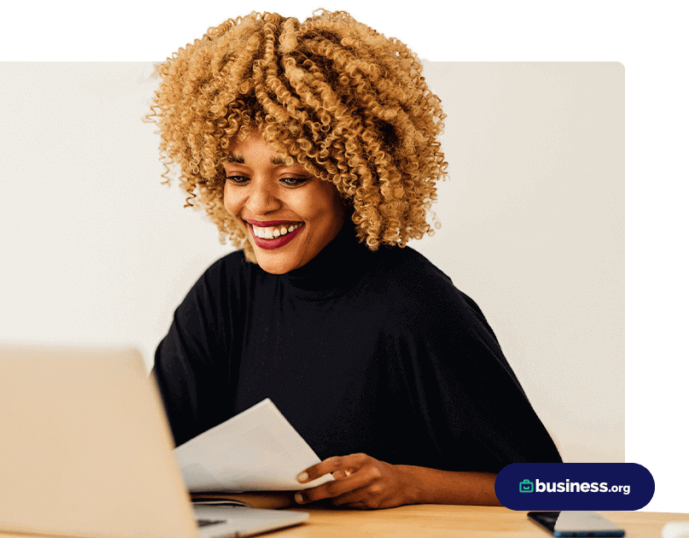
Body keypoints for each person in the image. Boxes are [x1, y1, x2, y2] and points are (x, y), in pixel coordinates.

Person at [144, 7, 563, 509]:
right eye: (238, 177)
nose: (257, 205)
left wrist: (410, 483)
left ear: (352, 178)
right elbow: (140, 460)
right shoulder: (225, 291)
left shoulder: (412, 303)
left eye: (292, 178)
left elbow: (562, 489)